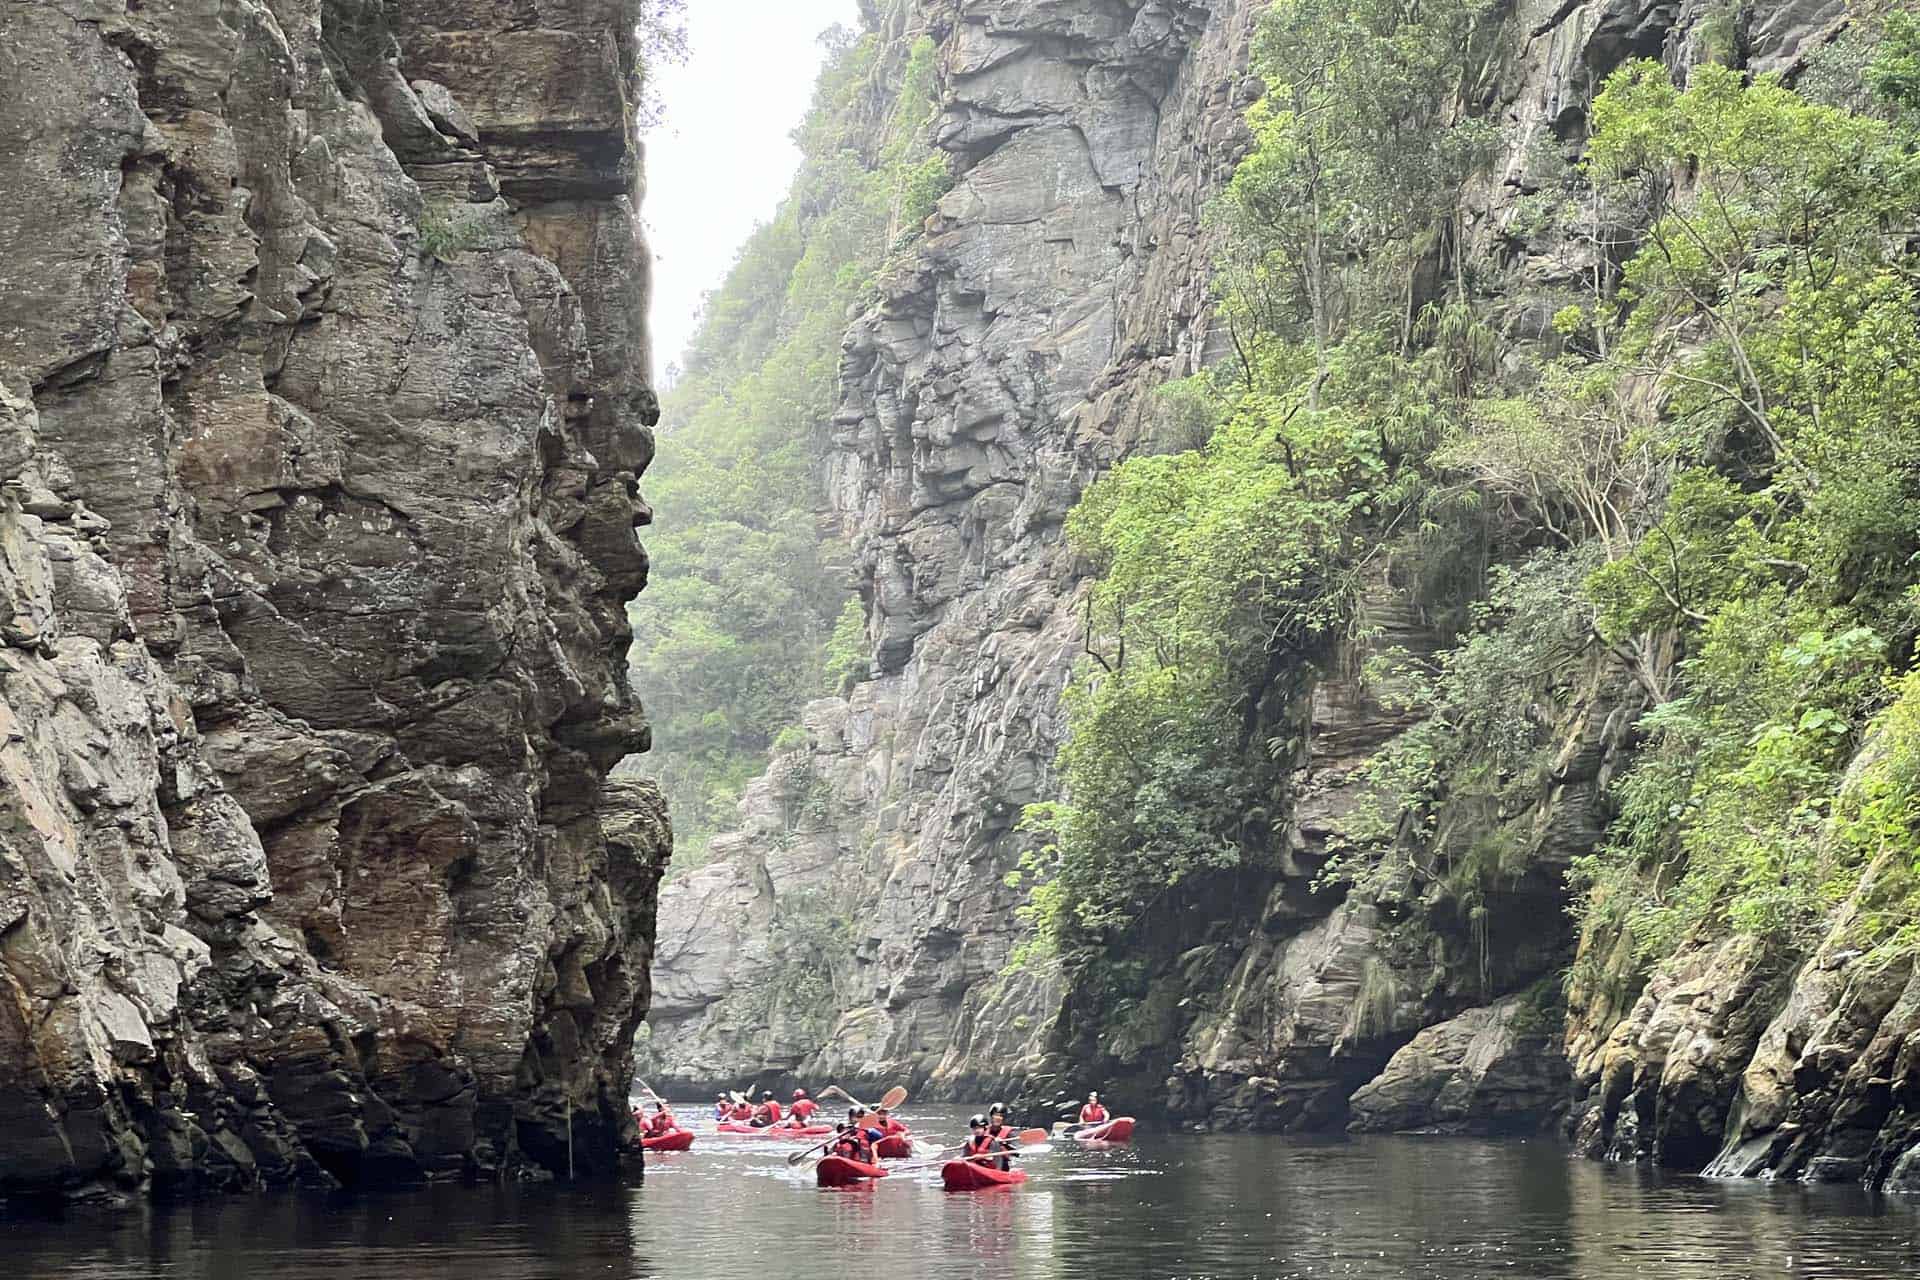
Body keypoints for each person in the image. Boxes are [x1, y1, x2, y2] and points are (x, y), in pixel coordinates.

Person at [982, 1103, 1019, 1171]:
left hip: (1002, 1167)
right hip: (985, 1164)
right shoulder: (983, 1130)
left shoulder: (1009, 1133)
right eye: (995, 1115)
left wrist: (1003, 1143)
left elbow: (1016, 1153)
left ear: (1003, 1118)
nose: (997, 1118)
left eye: (1000, 1116)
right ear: (991, 1116)